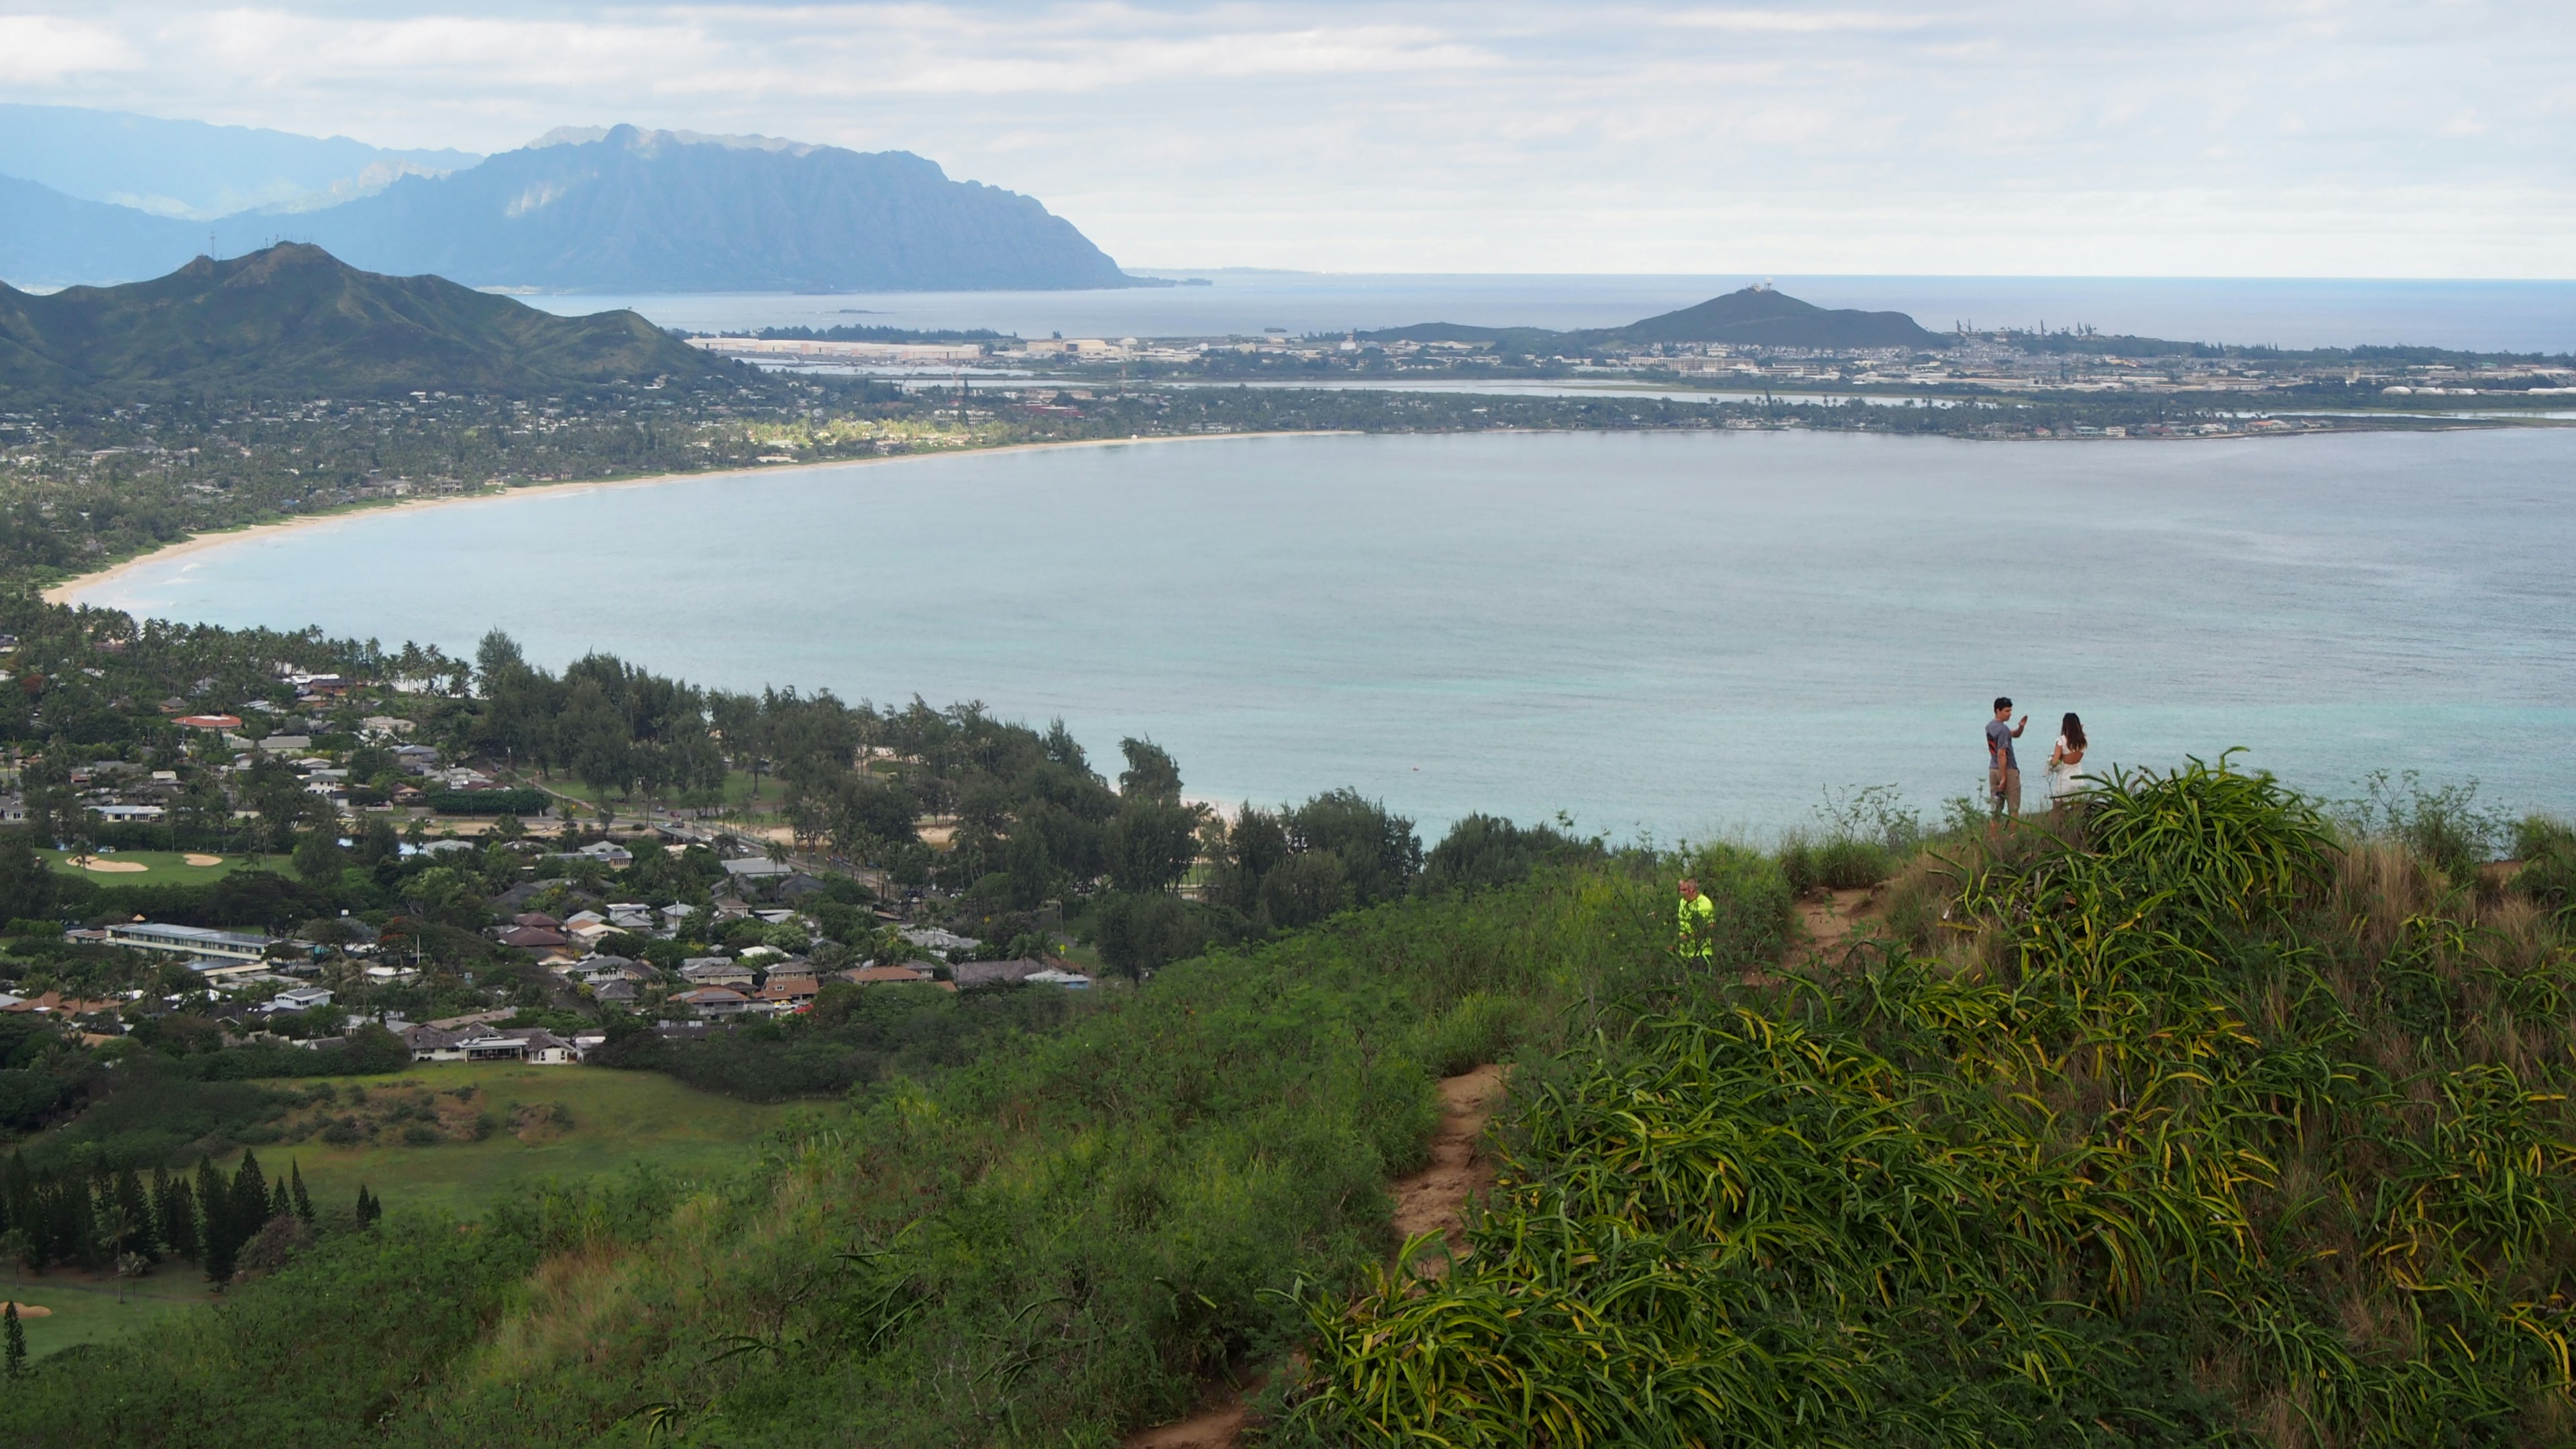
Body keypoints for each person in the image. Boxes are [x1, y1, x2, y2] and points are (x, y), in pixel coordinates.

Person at [1986, 697, 2027, 820]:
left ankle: (1994, 837)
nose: (2010, 714)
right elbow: (2001, 753)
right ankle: (2014, 836)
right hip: (2007, 770)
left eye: (2010, 711)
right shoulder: (2003, 729)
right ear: (1998, 711)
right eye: (2007, 711)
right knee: (2013, 810)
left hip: (1993, 770)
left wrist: (2021, 727)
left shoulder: (1990, 727)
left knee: (1995, 811)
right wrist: (2004, 777)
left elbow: (2014, 734)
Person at [2047, 712, 2088, 808]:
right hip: (2078, 776)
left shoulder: (2062, 741)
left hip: (2065, 777)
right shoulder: (2083, 740)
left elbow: (2054, 762)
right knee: (2078, 807)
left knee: (2059, 807)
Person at [1676, 877, 1715, 962]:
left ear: (1693, 890)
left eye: (1685, 890)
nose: (1682, 893)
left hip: (1701, 953)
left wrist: (1690, 937)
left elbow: (1710, 927)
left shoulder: (1704, 903)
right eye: (1681, 890)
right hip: (1685, 954)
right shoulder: (1682, 902)